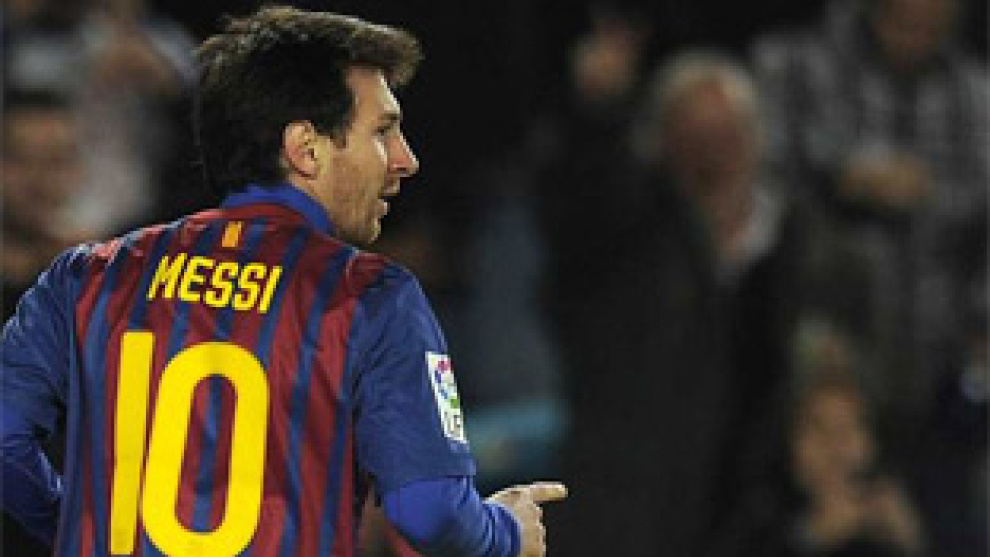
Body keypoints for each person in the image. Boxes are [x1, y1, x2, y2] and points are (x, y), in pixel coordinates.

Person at [1, 6, 565, 557]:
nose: (405, 159)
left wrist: (72, 524)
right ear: (306, 149)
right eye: (382, 131)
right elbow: (430, 511)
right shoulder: (369, 296)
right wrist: (505, 531)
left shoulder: (87, 277)